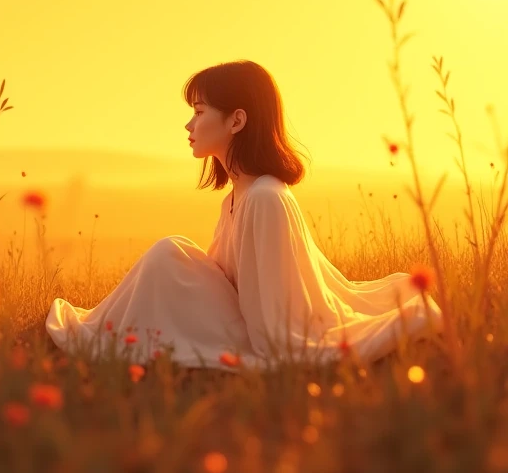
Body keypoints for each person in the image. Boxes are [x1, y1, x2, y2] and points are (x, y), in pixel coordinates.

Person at [45, 60, 444, 369]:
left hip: (256, 330)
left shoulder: (266, 198)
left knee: (169, 254)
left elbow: (278, 326)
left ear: (237, 120)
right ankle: (106, 333)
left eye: (199, 112)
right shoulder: (237, 196)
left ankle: (105, 338)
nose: (189, 124)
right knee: (172, 253)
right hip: (237, 316)